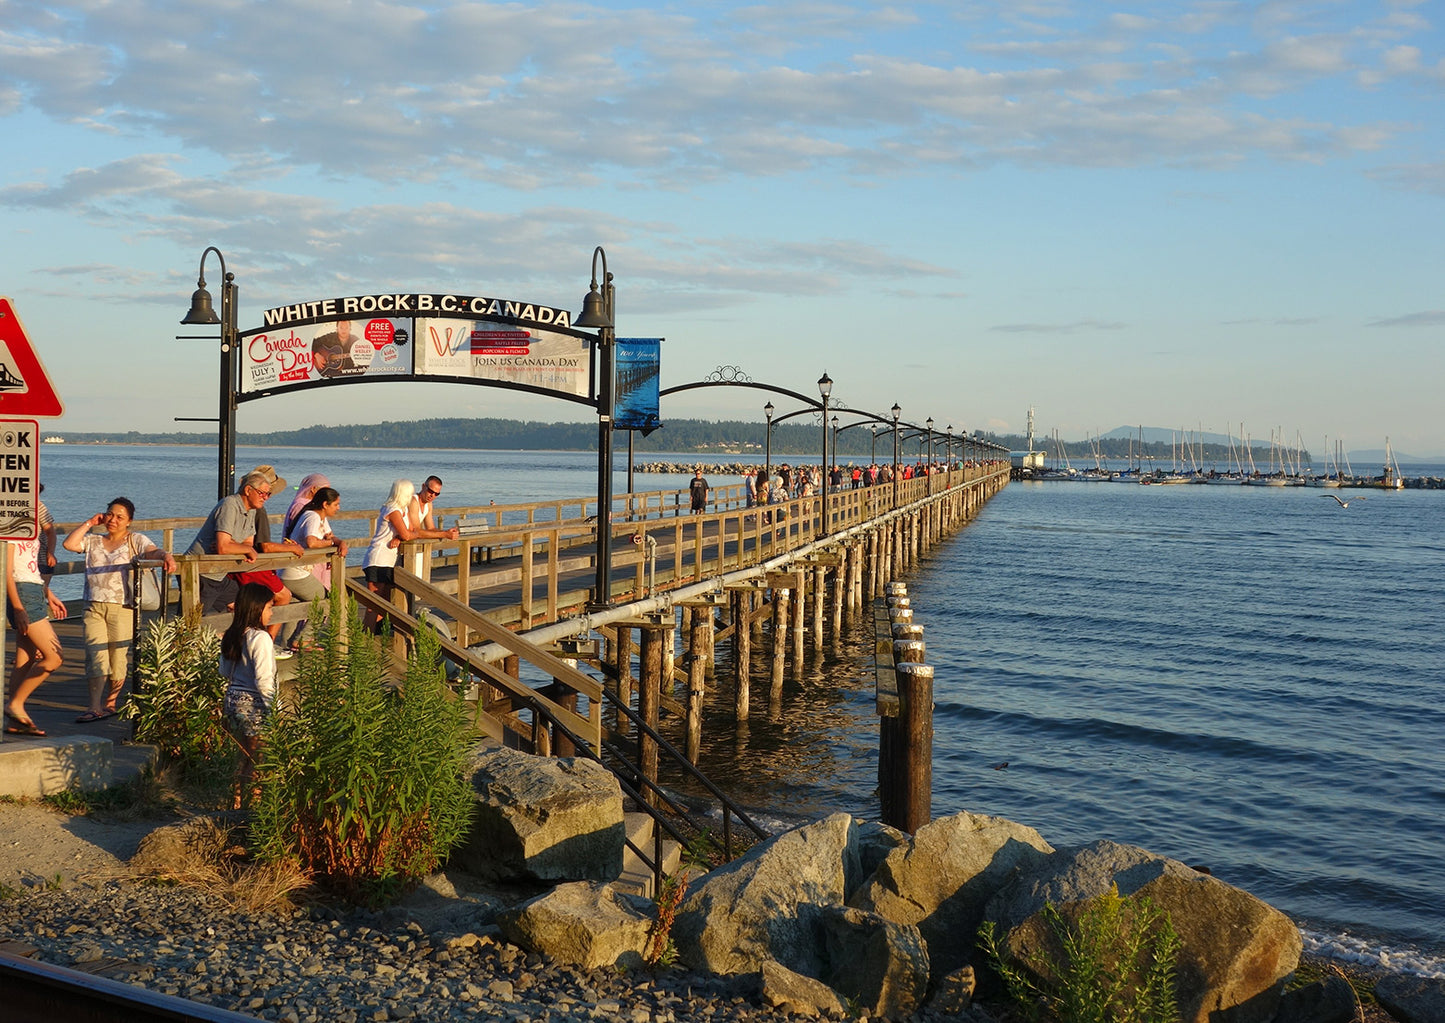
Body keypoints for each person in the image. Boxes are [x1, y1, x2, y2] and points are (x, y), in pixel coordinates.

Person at [62, 498, 177, 721]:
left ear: (129, 521)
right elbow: (69, 544)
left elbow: (152, 551)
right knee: (95, 655)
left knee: (117, 657)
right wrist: (89, 522)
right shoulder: (94, 540)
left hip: (122, 607)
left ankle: (111, 702)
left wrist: (166, 556)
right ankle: (93, 706)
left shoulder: (135, 540)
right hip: (93, 606)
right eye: (110, 514)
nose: (113, 520)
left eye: (119, 517)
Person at [185, 469, 297, 651]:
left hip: (221, 576)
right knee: (190, 623)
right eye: (262, 493)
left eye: (268, 494)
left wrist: (236, 546)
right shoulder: (230, 505)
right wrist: (236, 547)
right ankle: (180, 662)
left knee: (244, 609)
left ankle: (238, 649)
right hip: (202, 573)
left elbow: (248, 545)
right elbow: (223, 547)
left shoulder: (251, 510)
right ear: (248, 490)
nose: (266, 497)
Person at [219, 582, 279, 808]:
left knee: (241, 759)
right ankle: (251, 807)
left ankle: (234, 804)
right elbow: (264, 680)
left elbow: (224, 671)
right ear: (257, 608)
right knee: (258, 760)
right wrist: (275, 710)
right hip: (254, 705)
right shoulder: (260, 638)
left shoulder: (232, 634)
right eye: (269, 608)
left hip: (232, 701)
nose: (271, 613)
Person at [4, 534, 68, 736]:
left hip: (34, 589)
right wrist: (17, 607)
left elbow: (28, 564)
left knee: (26, 657)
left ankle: (16, 721)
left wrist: (48, 594)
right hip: (21, 593)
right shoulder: (9, 527)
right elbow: (5, 570)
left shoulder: (27, 524)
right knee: (54, 657)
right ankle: (15, 704)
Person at [278, 486, 347, 650]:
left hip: (290, 571)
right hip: (296, 572)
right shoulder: (313, 517)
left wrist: (339, 542)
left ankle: (287, 645)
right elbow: (312, 542)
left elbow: (330, 535)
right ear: (325, 504)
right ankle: (304, 639)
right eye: (336, 504)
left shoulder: (321, 518)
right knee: (327, 601)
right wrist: (331, 543)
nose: (338, 508)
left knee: (297, 608)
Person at [362, 479, 420, 631]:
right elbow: (410, 534)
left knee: (385, 600)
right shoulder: (392, 509)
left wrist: (400, 537)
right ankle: (366, 633)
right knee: (374, 602)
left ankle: (378, 630)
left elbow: (410, 530)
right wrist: (406, 535)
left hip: (388, 560)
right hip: (378, 558)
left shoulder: (403, 510)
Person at [282, 472, 331, 536]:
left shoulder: (314, 505)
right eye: (324, 490)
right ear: (313, 489)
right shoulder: (300, 505)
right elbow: (297, 531)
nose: (326, 494)